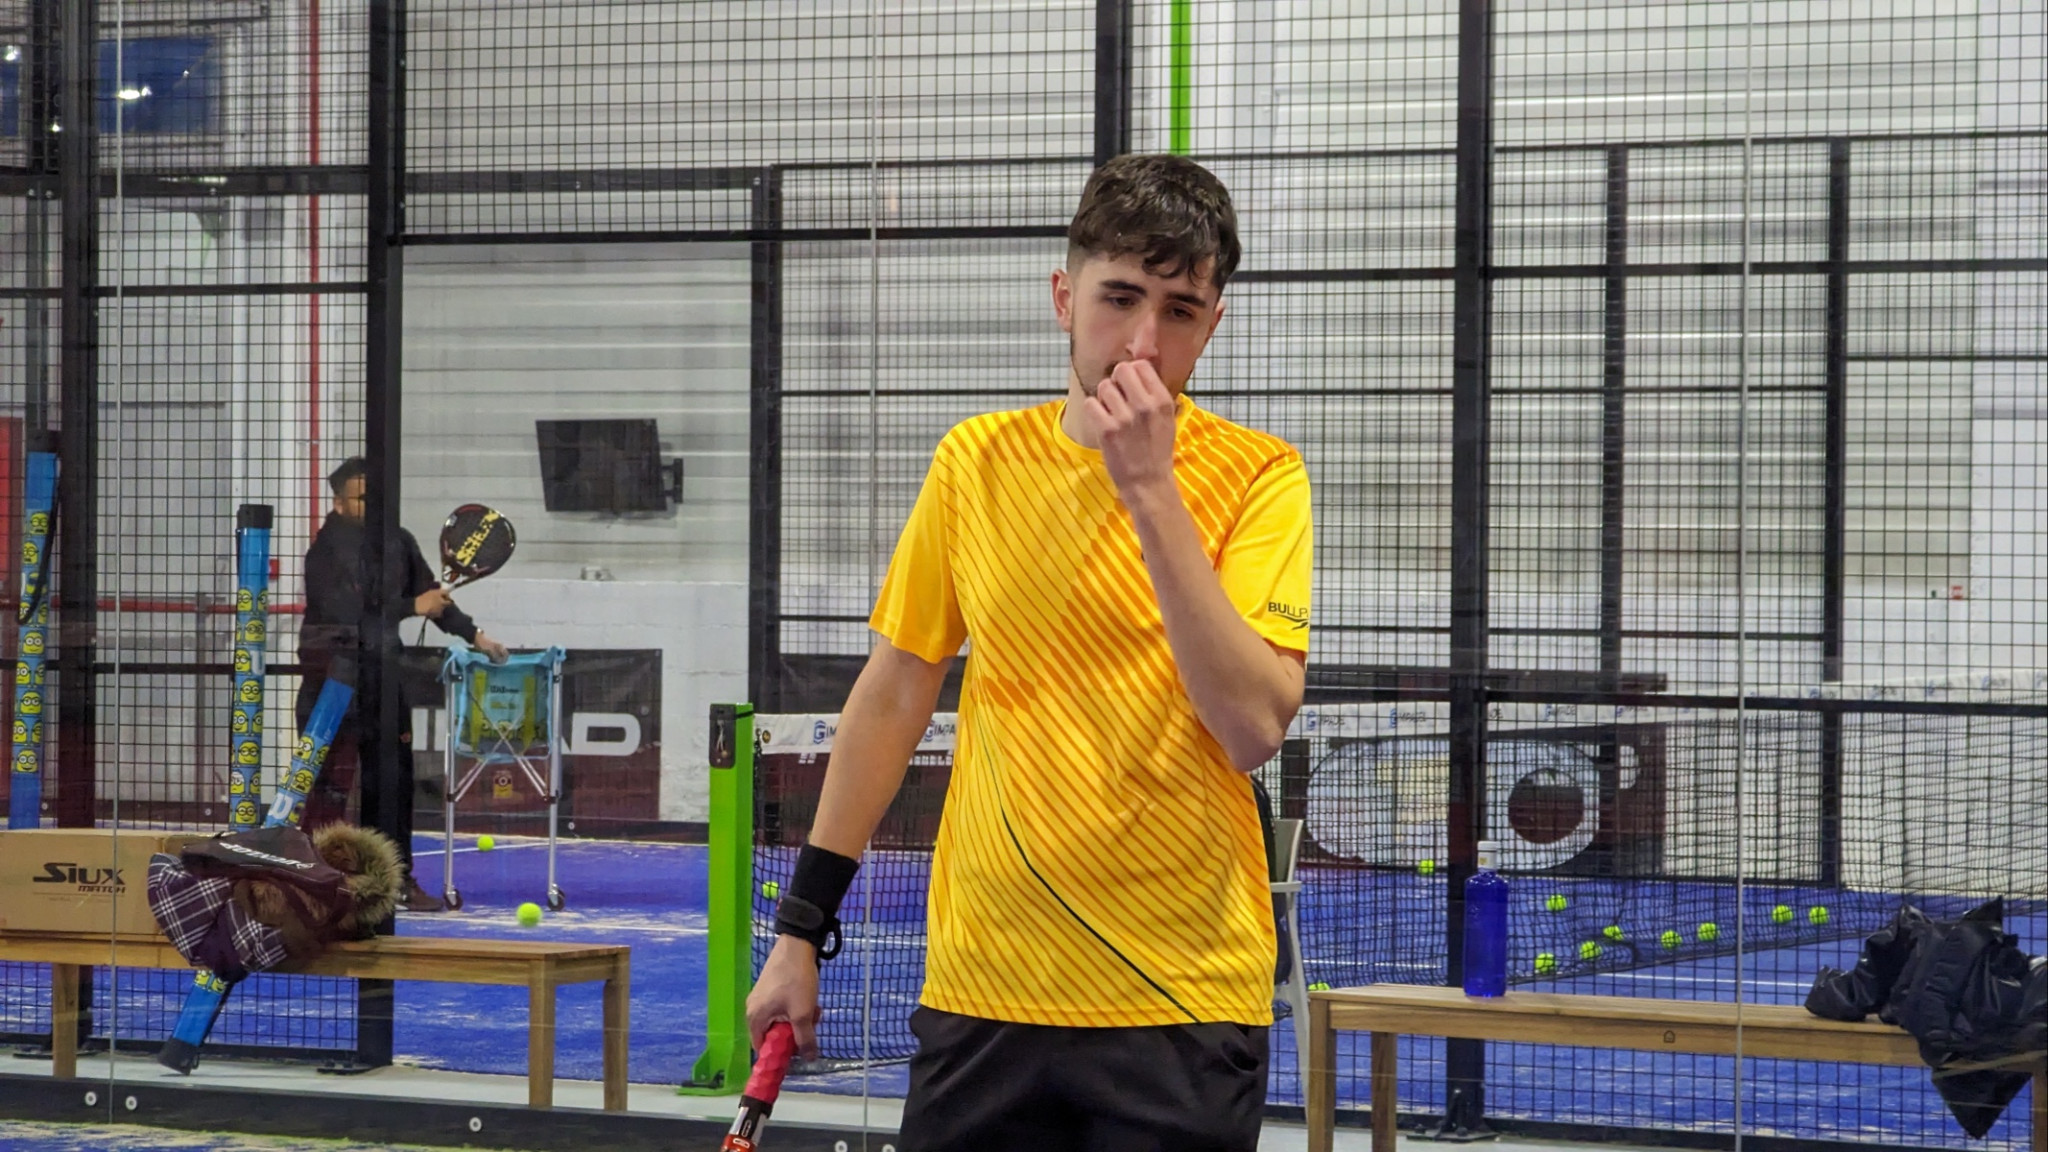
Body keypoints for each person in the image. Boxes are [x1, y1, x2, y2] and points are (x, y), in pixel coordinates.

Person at [746, 154, 1314, 1151]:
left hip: (1179, 995)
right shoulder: (975, 462)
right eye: (1119, 297)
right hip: (984, 984)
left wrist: (1149, 490)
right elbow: (893, 694)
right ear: (1064, 298)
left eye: (1179, 310)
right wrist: (800, 928)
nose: (1143, 341)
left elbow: (1251, 726)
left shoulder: (1260, 476)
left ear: (1212, 325)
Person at [298, 456, 508, 913]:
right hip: (332, 686)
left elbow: (432, 597)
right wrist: (414, 605)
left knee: (394, 786)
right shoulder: (324, 554)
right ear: (339, 503)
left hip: (385, 684)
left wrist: (476, 636)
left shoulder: (399, 541)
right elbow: (349, 616)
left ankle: (396, 883)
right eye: (362, 497)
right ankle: (314, 884)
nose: (373, 504)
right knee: (328, 788)